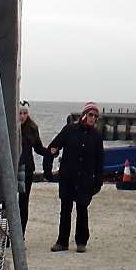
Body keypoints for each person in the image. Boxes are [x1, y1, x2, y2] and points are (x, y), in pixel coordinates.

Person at [47, 102, 104, 253]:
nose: (93, 118)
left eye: (95, 116)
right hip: (68, 178)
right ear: (84, 115)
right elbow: (54, 145)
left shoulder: (97, 136)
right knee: (65, 210)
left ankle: (81, 242)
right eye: (91, 115)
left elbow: (100, 161)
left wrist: (98, 182)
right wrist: (53, 153)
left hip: (85, 180)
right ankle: (62, 242)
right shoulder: (69, 130)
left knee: (82, 209)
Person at [18, 102, 51, 233]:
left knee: (23, 202)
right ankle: (8, 233)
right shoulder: (10, 126)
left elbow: (38, 148)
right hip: (12, 167)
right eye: (20, 113)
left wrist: (50, 152)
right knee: (6, 202)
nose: (22, 116)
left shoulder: (32, 128)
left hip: (26, 169)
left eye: (25, 113)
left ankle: (21, 233)